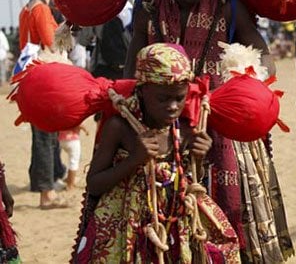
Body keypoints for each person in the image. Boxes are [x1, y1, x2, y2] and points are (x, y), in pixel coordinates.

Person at [124, 0, 293, 262]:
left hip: (226, 129)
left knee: (235, 214)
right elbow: (131, 73)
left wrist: (244, 83)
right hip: (165, 132)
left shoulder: (227, 6)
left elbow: (264, 57)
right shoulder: (150, 12)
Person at [72, 43, 240, 263]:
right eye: (163, 99)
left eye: (179, 98)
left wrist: (198, 158)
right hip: (126, 228)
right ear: (142, 91)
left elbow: (187, 178)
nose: (172, 106)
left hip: (175, 223)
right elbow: (94, 183)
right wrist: (134, 160)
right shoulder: (120, 127)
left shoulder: (185, 130)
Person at [18, 0, 68, 209]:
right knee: (46, 135)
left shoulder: (28, 7)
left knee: (41, 134)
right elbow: (51, 42)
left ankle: (42, 181)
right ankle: (46, 193)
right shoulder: (41, 10)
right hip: (43, 76)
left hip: (29, 74)